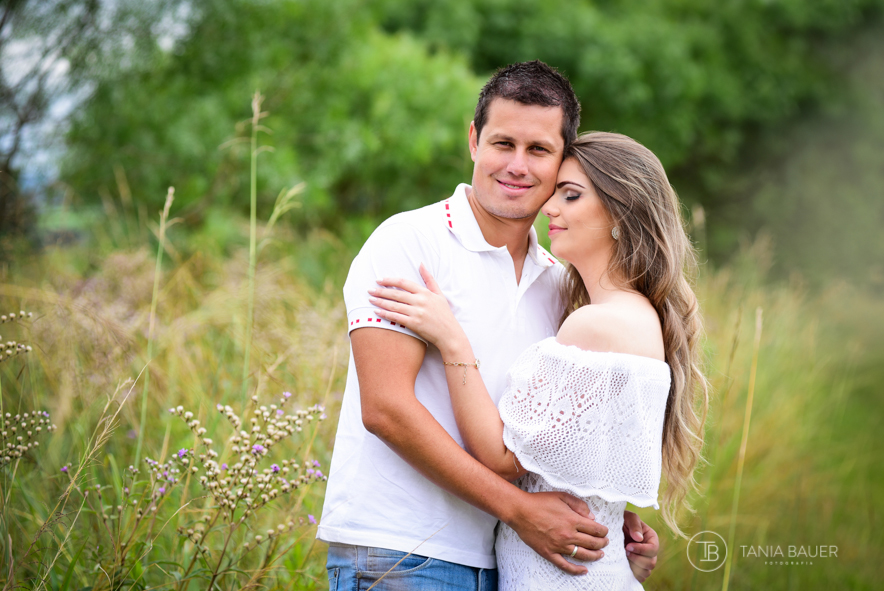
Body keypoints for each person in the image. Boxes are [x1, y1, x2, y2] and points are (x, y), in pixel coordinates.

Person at [317, 61, 660, 590]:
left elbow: (550, 437)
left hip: (509, 561)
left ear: (561, 160)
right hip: (401, 553)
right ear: (474, 140)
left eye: (539, 150)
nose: (517, 165)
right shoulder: (409, 242)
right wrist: (521, 508)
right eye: (503, 143)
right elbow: (385, 410)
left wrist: (600, 509)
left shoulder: (560, 286)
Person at [370, 131, 708, 589]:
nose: (549, 208)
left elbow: (503, 456)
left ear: (619, 214)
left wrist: (452, 340)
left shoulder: (596, 325)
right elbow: (585, 465)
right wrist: (621, 526)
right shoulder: (631, 316)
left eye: (570, 196)